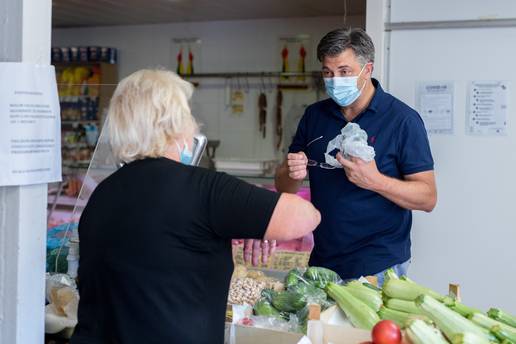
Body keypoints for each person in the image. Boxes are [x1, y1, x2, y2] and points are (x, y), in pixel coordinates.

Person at [70, 69, 321, 344]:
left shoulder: (103, 193)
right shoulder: (202, 188)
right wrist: (245, 218)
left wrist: (246, 219)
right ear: (175, 123)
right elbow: (305, 216)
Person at [246, 28, 437, 284]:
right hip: (323, 262)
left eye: (344, 72)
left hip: (379, 265)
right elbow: (284, 185)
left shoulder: (402, 120)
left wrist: (375, 180)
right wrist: (292, 173)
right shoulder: (314, 116)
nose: (335, 80)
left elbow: (428, 197)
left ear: (367, 70)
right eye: (327, 72)